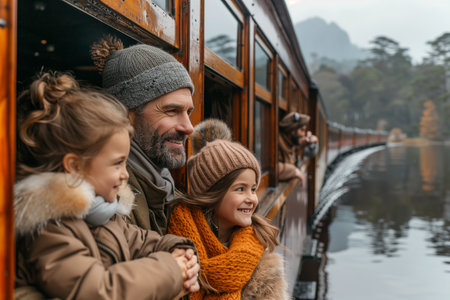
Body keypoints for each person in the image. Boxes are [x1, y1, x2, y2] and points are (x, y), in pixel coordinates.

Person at [14, 72, 200, 299]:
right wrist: (172, 269)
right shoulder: (48, 231)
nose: (125, 175)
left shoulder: (105, 214)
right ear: (74, 166)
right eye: (117, 163)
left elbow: (142, 241)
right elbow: (99, 290)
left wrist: (181, 250)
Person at [168, 119, 289, 300]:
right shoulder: (176, 242)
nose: (251, 199)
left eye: (254, 189)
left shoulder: (262, 264)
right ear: (213, 193)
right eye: (240, 189)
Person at [90, 36, 195, 234]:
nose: (188, 127)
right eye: (172, 111)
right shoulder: (109, 200)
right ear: (126, 115)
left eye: (188, 112)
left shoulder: (162, 183)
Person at [278, 112, 318, 183]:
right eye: (302, 130)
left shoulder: (288, 141)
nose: (303, 134)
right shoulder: (278, 142)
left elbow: (300, 144)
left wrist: (309, 141)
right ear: (292, 130)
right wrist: (294, 171)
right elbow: (272, 169)